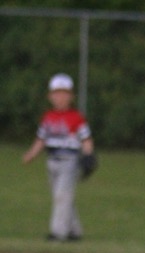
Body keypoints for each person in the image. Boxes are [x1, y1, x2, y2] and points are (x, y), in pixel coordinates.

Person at [22, 73, 94, 242]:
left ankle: (58, 233)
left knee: (62, 196)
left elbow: (86, 139)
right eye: (56, 93)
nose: (60, 97)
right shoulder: (48, 118)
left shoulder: (76, 118)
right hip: (52, 161)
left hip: (70, 161)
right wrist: (31, 154)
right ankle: (74, 231)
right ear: (50, 96)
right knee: (62, 196)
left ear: (71, 96)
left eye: (64, 93)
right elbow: (41, 140)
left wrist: (88, 155)